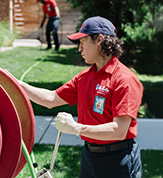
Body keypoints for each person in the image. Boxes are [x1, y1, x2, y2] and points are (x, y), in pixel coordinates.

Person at [19, 16, 143, 178]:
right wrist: (16, 84)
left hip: (118, 159)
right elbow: (50, 99)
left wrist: (76, 128)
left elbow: (119, 130)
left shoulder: (124, 80)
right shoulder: (84, 77)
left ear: (99, 40)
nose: (79, 48)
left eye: (82, 42)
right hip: (89, 155)